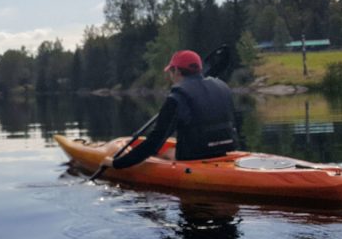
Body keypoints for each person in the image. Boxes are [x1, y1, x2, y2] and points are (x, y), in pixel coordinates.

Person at [101, 50, 239, 170]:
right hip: (224, 152)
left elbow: (153, 143)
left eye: (171, 71)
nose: (170, 76)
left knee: (164, 153)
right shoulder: (222, 87)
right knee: (170, 150)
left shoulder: (177, 97)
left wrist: (117, 163)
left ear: (177, 71)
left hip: (194, 157)